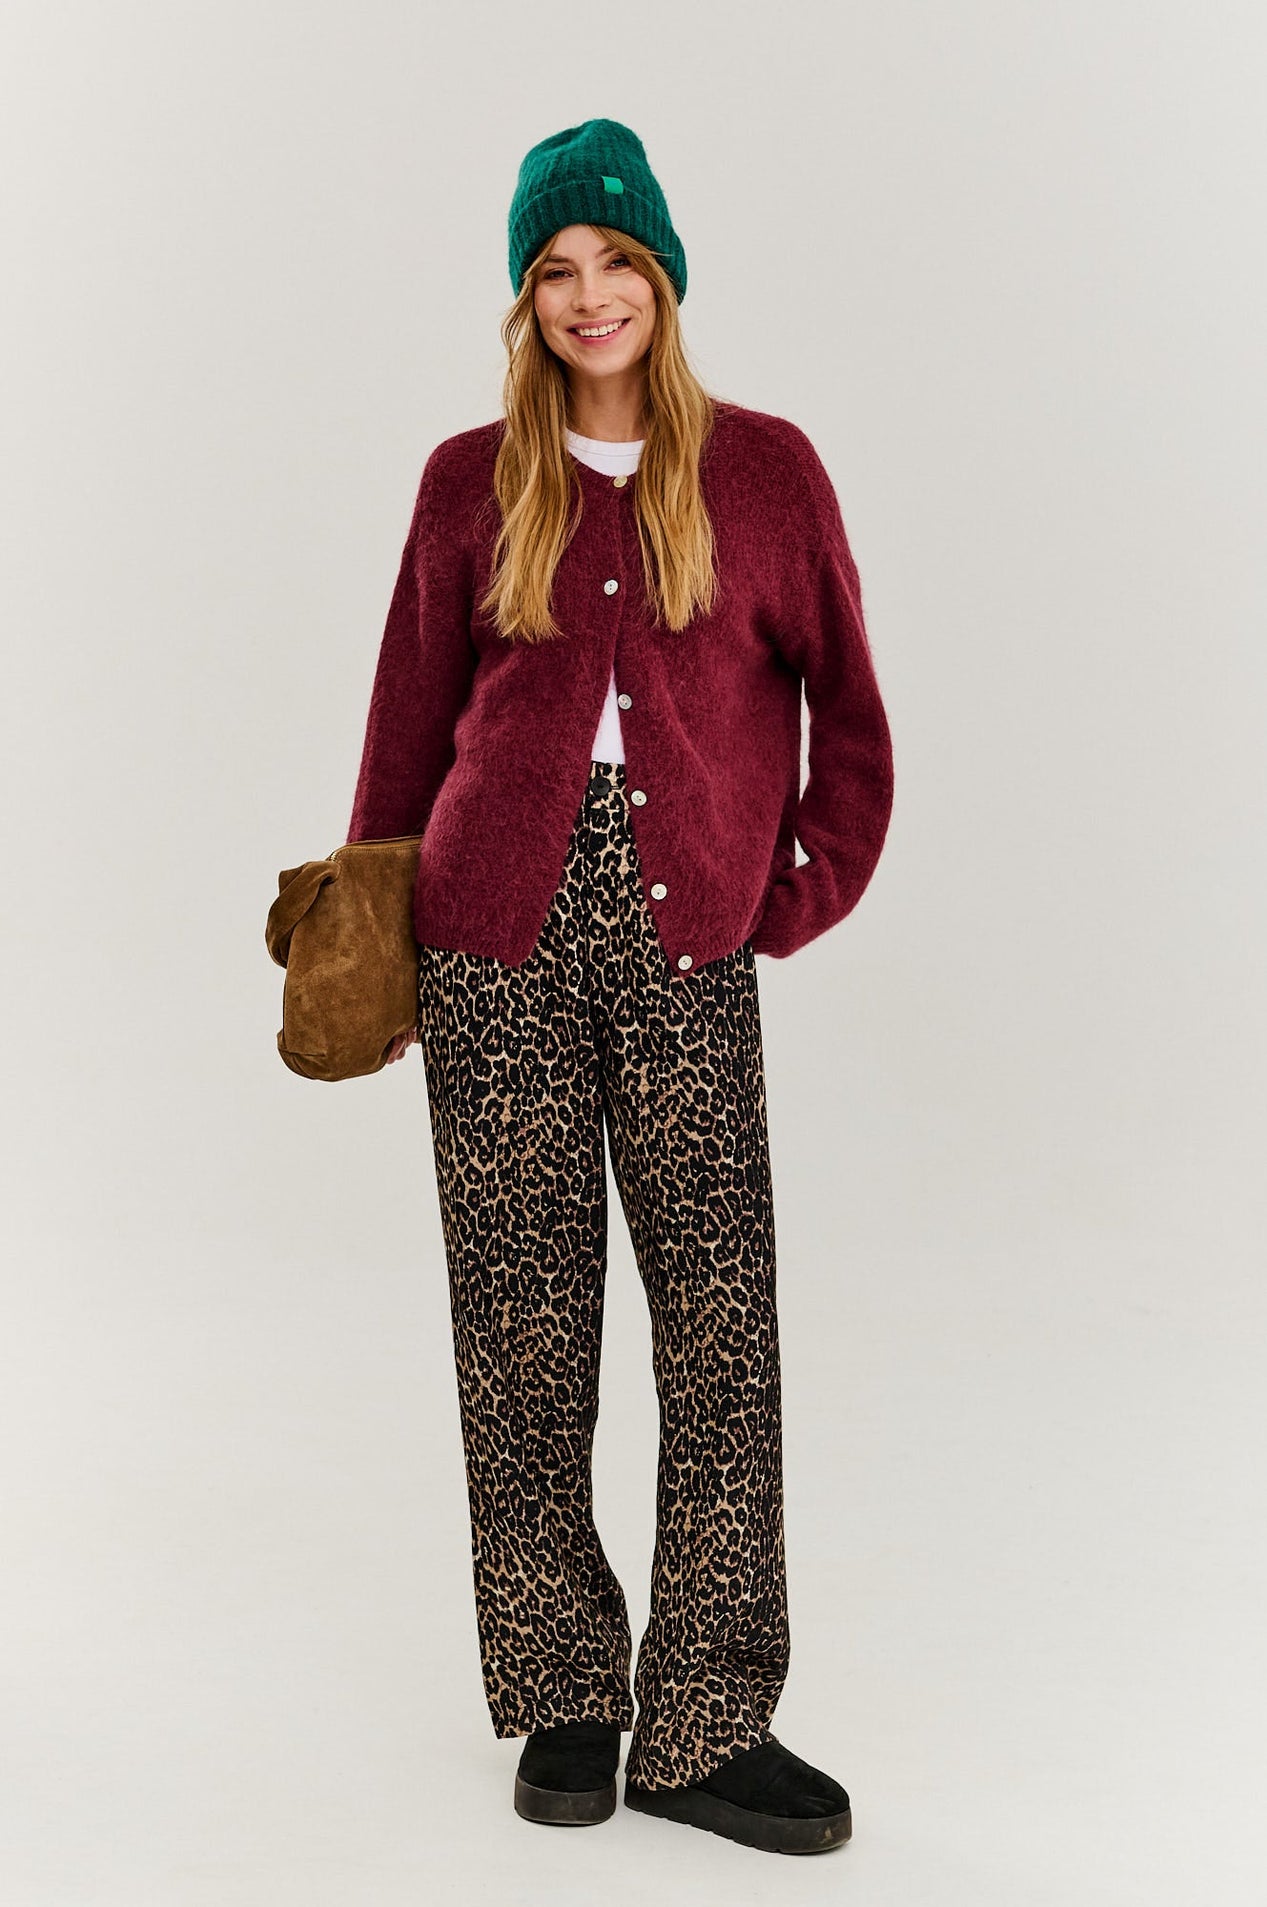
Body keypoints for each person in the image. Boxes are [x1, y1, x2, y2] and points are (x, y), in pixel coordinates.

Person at [346, 118, 894, 1857]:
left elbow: (849, 720)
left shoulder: (765, 475)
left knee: (718, 1327)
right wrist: (374, 935)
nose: (589, 297)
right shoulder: (467, 481)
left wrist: (781, 900)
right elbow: (407, 724)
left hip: (684, 945)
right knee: (520, 1327)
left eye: (615, 264)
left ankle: (708, 1720)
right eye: (554, 272)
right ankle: (568, 1695)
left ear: (661, 277)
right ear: (525, 300)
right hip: (487, 938)